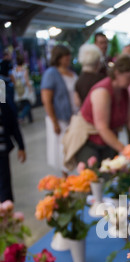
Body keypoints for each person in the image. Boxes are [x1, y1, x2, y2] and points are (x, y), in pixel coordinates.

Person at [75, 54, 130, 165]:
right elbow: (102, 127)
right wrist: (124, 149)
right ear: (117, 73)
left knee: (113, 173)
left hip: (107, 141)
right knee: (95, 176)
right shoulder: (102, 92)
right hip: (88, 141)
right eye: (129, 78)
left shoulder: (123, 91)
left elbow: (129, 118)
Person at [41, 44, 78, 174]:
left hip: (74, 116)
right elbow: (47, 99)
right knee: (61, 149)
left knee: (73, 146)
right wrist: (54, 122)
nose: (68, 58)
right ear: (59, 57)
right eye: (65, 56)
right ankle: (65, 177)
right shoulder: (51, 73)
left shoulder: (72, 73)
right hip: (60, 118)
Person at [0, 93, 26, 202]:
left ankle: (6, 209)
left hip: (2, 149)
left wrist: (21, 146)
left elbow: (11, 119)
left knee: (4, 184)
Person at [12, 55, 34, 123]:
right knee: (28, 104)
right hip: (25, 89)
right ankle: (21, 117)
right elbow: (26, 80)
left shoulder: (14, 70)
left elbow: (13, 80)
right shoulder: (24, 69)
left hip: (18, 90)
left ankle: (30, 119)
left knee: (24, 104)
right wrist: (30, 88)